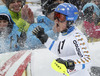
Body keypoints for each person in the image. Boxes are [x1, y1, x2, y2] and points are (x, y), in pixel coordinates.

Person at [32, 3, 91, 76]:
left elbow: (87, 60)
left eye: (60, 17)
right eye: (55, 16)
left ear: (70, 21)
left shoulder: (77, 37)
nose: (56, 21)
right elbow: (60, 50)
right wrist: (44, 38)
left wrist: (69, 63)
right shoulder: (63, 34)